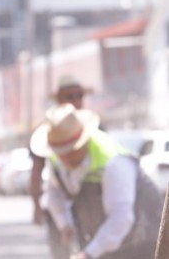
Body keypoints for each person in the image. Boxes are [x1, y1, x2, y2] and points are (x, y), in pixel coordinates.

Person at [30, 104, 161, 259]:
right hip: (105, 240)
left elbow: (121, 218)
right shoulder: (56, 159)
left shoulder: (113, 163)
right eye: (60, 153)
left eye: (69, 151)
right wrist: (65, 224)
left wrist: (89, 253)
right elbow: (54, 194)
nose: (64, 158)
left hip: (141, 236)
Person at [30, 75, 94, 257]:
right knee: (61, 251)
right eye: (70, 96)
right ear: (59, 100)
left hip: (88, 204)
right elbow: (37, 171)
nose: (76, 101)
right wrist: (36, 204)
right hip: (59, 203)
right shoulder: (48, 133)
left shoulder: (94, 127)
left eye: (79, 96)